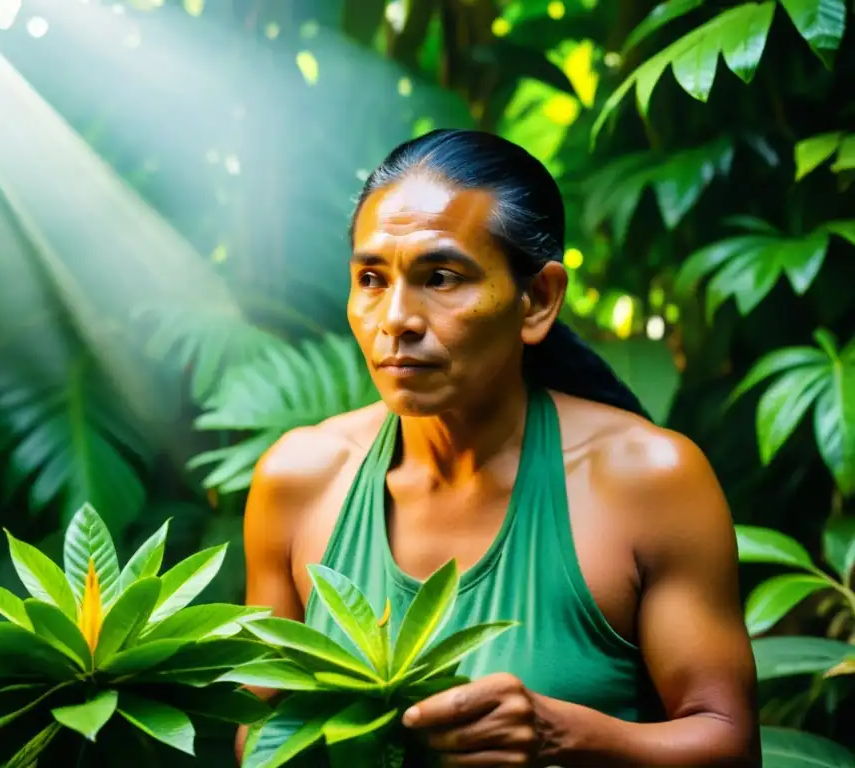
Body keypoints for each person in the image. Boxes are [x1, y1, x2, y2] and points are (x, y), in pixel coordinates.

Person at [235, 129, 759, 766]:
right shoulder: (299, 479)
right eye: (372, 277)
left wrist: (567, 736)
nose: (396, 317)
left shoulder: (646, 480)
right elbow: (257, 731)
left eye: (442, 276)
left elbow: (729, 743)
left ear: (537, 299)